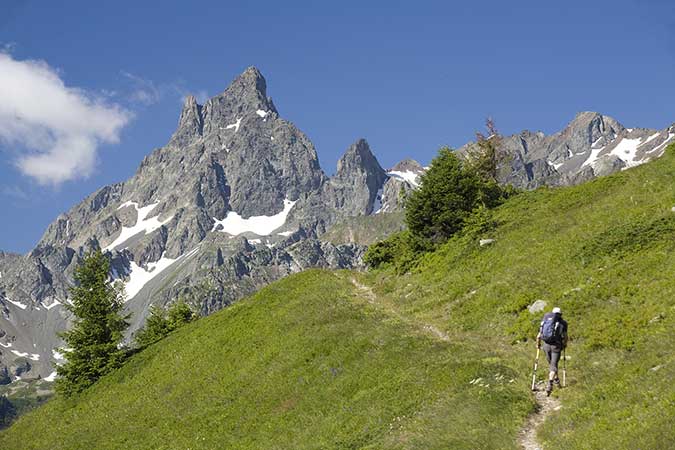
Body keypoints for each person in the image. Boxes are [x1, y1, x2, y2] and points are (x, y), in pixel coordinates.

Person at [537, 306, 568, 396]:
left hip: (546, 345)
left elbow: (539, 336)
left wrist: (538, 344)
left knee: (551, 365)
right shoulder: (563, 323)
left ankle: (557, 381)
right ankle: (550, 383)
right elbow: (565, 336)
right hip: (556, 346)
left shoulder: (545, 321)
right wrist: (564, 344)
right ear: (560, 314)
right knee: (554, 365)